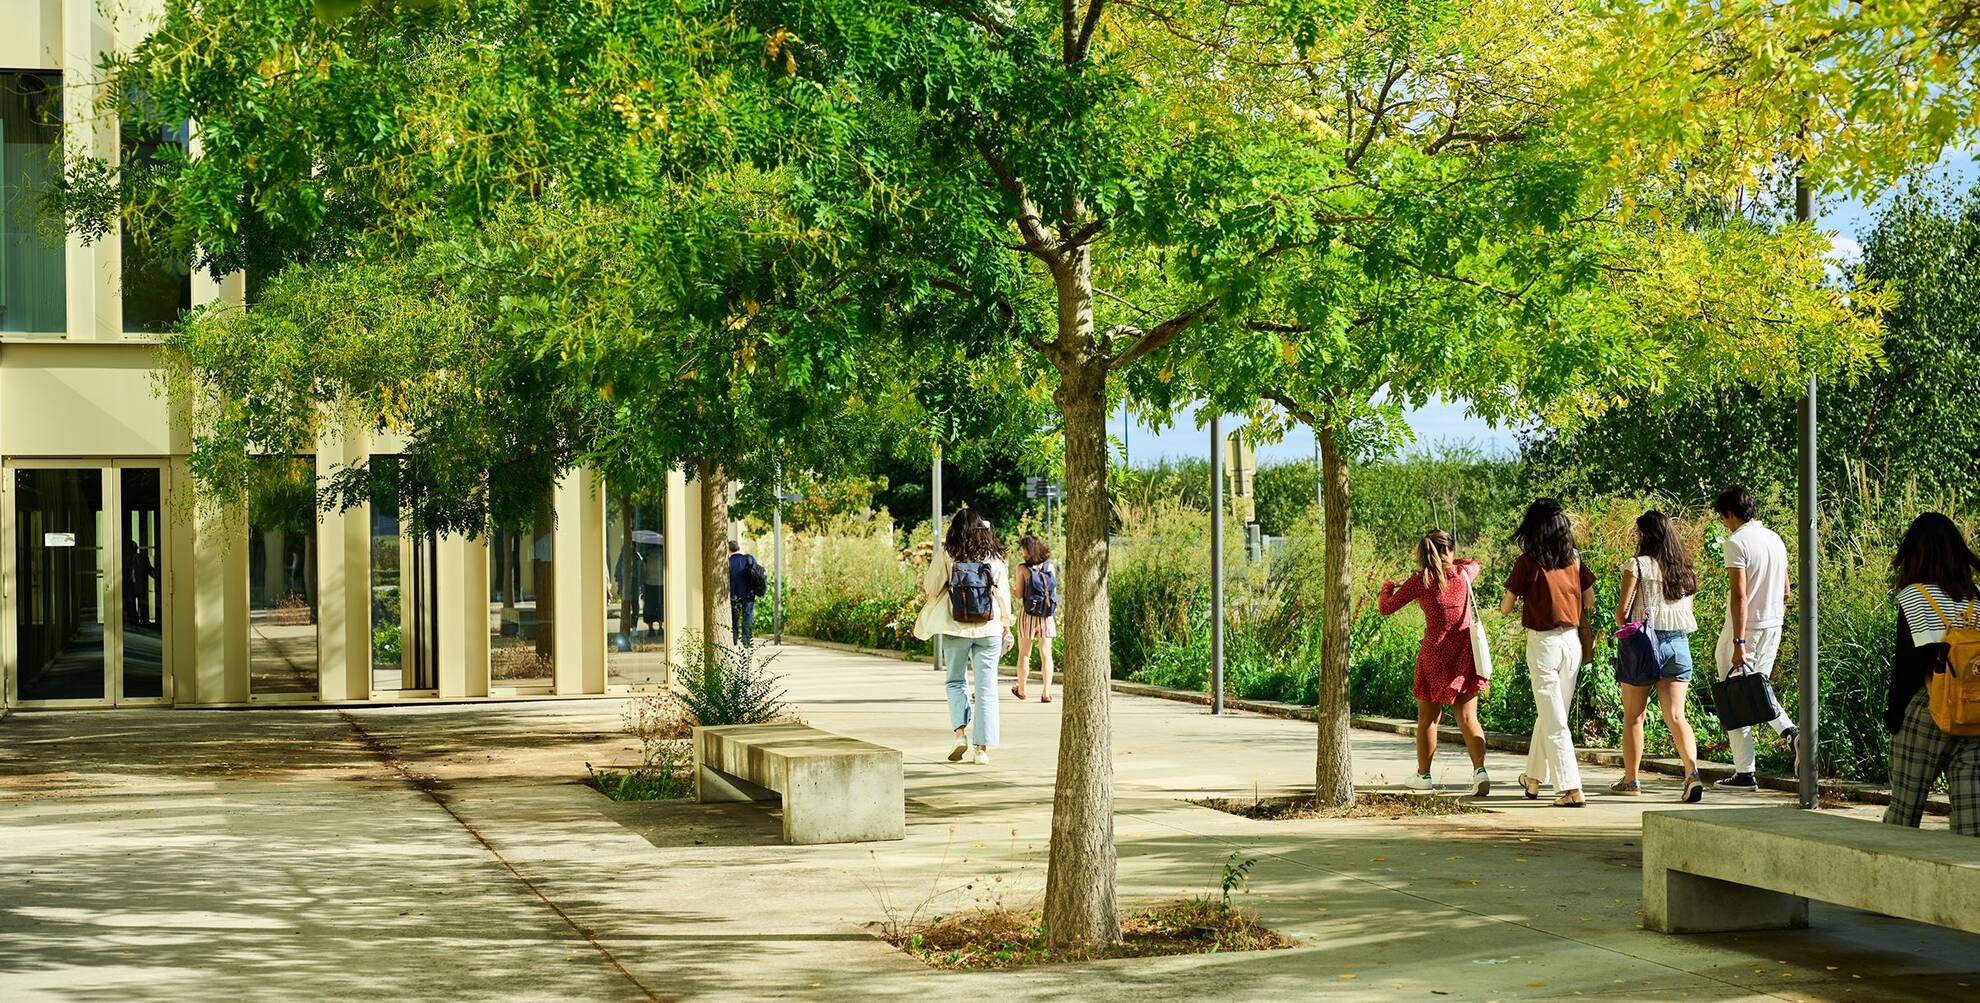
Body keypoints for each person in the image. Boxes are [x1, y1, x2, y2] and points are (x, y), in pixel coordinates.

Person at [1884, 513, 1980, 836]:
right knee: (1973, 824)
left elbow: (1907, 666)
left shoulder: (1915, 597)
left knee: (1904, 814)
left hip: (1928, 710)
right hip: (1973, 715)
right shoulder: (1975, 601)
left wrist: (1894, 715)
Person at [1377, 529, 1491, 796]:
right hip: (1464, 655)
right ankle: (1480, 771)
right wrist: (1455, 561)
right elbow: (1475, 563)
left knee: (1428, 719)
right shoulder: (1464, 575)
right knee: (1467, 717)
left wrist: (1386, 588)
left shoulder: (1421, 580)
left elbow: (1386, 608)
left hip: (1433, 655)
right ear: (1450, 549)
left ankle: (1424, 775)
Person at [1501, 499, 1594, 807]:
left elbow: (1505, 607)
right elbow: (1589, 602)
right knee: (1553, 713)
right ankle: (1533, 777)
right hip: (1572, 644)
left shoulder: (1527, 562)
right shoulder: (1575, 559)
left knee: (1554, 720)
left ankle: (1571, 788)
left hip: (1544, 644)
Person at [1610, 511, 1705, 802]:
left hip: (1644, 646)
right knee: (1677, 716)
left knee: (1634, 717)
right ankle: (1692, 773)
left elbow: (1622, 614)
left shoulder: (1637, 565)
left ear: (1645, 536)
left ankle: (1632, 779)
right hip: (1678, 645)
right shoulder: (1685, 570)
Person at [1710, 486, 1798, 789]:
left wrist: (1739, 642)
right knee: (1756, 690)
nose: (1724, 523)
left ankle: (1746, 771)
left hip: (1745, 630)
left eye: (1723, 517)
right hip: (1773, 625)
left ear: (1730, 514)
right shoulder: (1775, 539)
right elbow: (1786, 590)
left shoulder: (1736, 543)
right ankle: (1790, 734)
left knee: (1733, 696)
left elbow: (1739, 596)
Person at [912, 510, 1013, 765]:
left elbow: (931, 587)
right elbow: (1003, 594)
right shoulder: (993, 555)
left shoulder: (949, 552)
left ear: (955, 528)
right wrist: (1006, 624)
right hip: (988, 629)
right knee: (987, 688)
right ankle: (982, 750)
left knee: (955, 681)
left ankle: (959, 735)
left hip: (956, 626)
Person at [1010, 534, 1058, 703]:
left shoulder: (1022, 569)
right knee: (1047, 654)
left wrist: (1010, 589)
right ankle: (1046, 693)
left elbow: (1019, 594)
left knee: (1024, 654)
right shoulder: (1049, 566)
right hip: (1046, 615)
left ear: (1029, 550)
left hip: (1028, 614)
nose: (1022, 552)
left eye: (1023, 548)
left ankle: (1022, 689)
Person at [726, 541, 767, 647]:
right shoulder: (749, 559)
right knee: (747, 615)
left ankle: (734, 639)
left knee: (734, 616)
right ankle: (746, 640)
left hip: (733, 594)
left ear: (729, 549)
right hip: (749, 593)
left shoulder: (728, 561)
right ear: (738, 548)